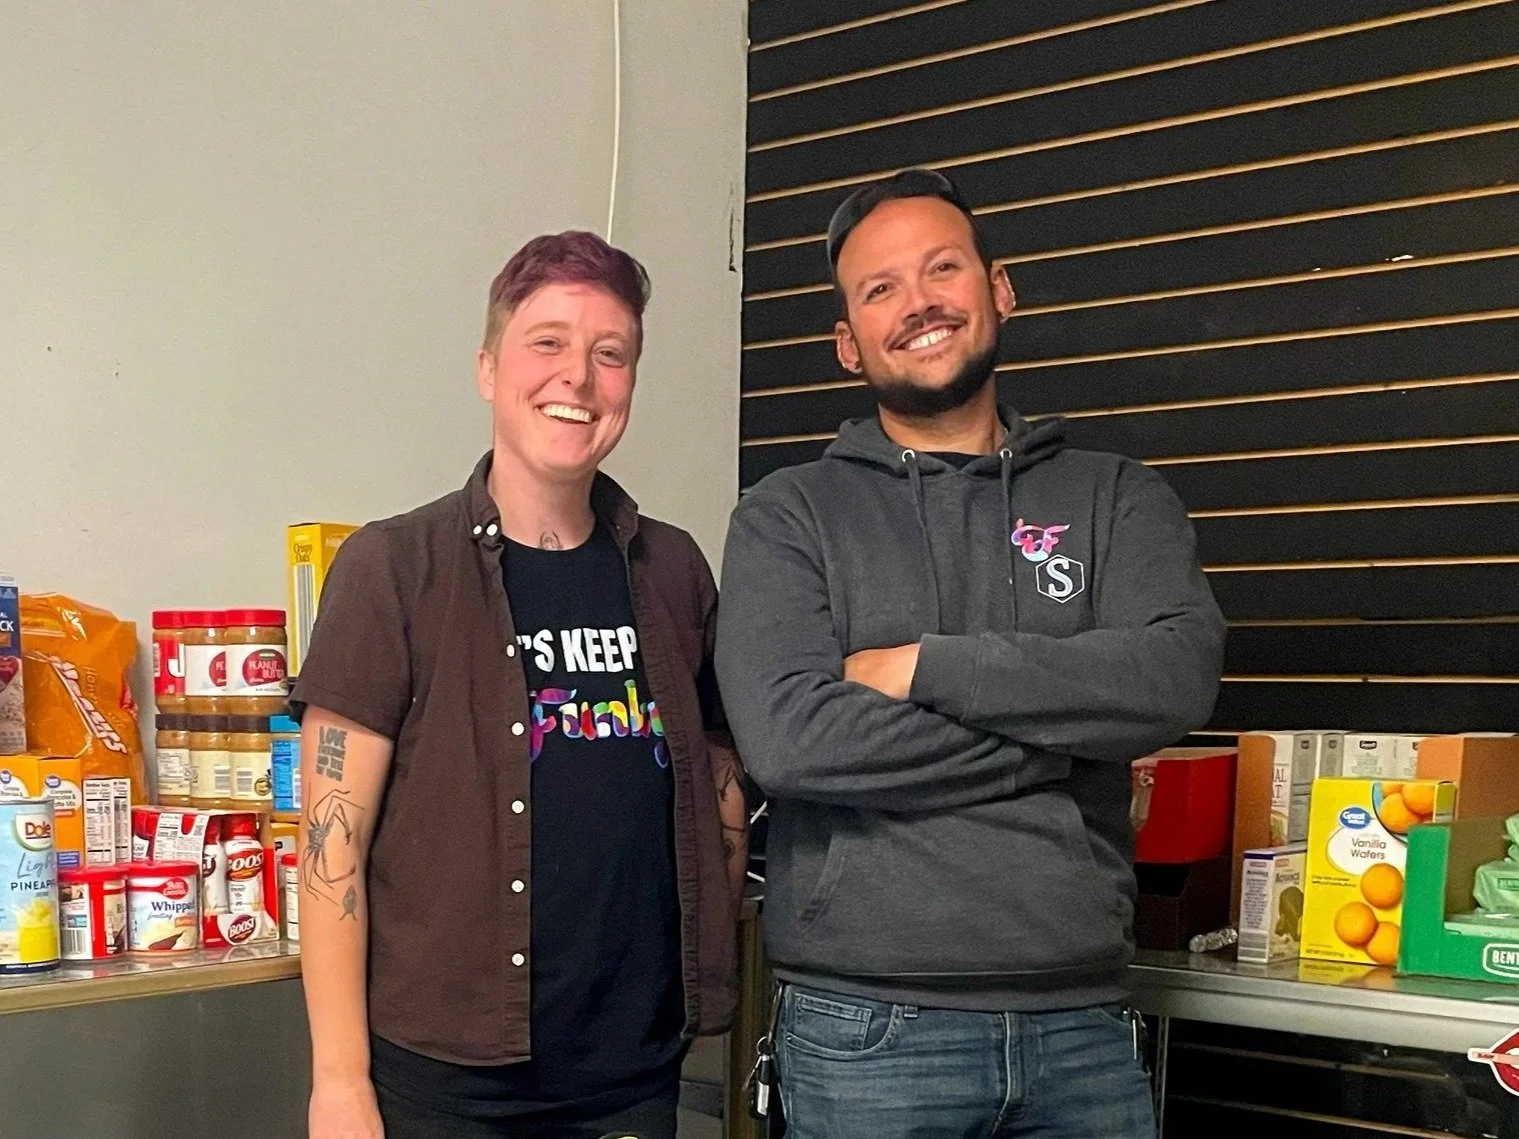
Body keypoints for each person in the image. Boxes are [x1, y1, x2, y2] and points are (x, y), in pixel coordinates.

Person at [715, 169, 1225, 1138]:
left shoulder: (1116, 497)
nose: (918, 302)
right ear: (846, 341)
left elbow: (1172, 675)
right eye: (880, 289)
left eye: (940, 267)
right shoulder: (789, 515)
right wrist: (1072, 737)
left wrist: (923, 667)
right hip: (864, 1028)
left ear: (999, 286)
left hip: (1082, 1027)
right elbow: (792, 742)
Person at [292, 231, 747, 1139]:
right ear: (488, 368)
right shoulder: (393, 567)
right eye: (547, 342)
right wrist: (339, 1083)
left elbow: (717, 781)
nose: (577, 376)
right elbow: (328, 843)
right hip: (448, 1077)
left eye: (609, 353)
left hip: (629, 1072)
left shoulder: (673, 568)